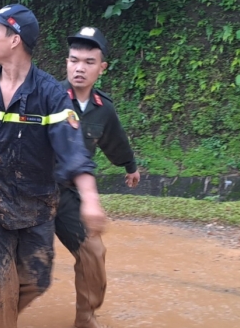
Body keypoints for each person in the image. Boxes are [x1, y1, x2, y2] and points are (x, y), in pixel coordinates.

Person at [0, 4, 106, 328]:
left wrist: (90, 197)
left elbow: (73, 150)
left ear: (14, 39)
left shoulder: (50, 95)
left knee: (36, 279)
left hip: (35, 209)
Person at [58, 26, 140, 328]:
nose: (79, 68)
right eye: (73, 60)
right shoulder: (47, 98)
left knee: (93, 251)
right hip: (35, 192)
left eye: (89, 62)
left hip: (69, 195)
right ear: (66, 62)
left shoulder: (104, 109)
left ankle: (86, 317)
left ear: (101, 68)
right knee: (23, 265)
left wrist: (130, 166)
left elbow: (114, 141)